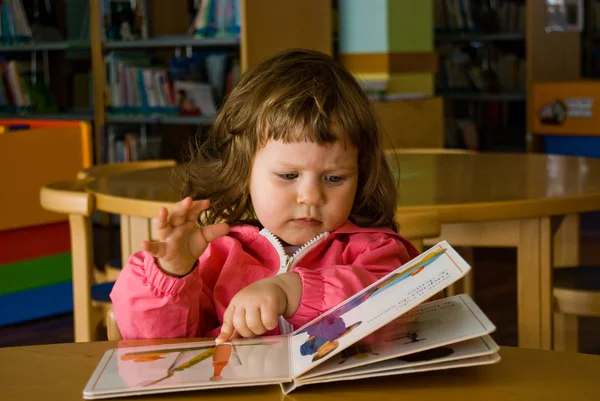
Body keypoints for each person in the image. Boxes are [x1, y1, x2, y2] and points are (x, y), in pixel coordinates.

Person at [110, 49, 420, 343]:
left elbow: (398, 313)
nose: (311, 196)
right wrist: (172, 272)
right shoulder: (218, 253)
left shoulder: (375, 250)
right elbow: (153, 344)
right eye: (288, 176)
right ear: (244, 172)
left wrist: (292, 291)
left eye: (334, 178)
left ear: (360, 175)